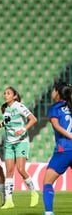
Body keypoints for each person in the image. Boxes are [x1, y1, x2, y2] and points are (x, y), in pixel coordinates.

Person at [0, 86, 38, 209]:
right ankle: (9, 201)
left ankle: (34, 193)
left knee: (20, 169)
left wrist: (23, 129)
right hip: (9, 143)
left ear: (14, 96)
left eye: (8, 93)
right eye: (4, 93)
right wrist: (0, 125)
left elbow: (33, 119)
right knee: (9, 171)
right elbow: (8, 121)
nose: (5, 95)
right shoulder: (5, 109)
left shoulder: (19, 106)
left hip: (21, 142)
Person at [42, 82, 72, 215]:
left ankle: (49, 213)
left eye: (53, 90)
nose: (52, 93)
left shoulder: (54, 107)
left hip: (64, 149)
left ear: (57, 93)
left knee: (47, 181)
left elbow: (57, 126)